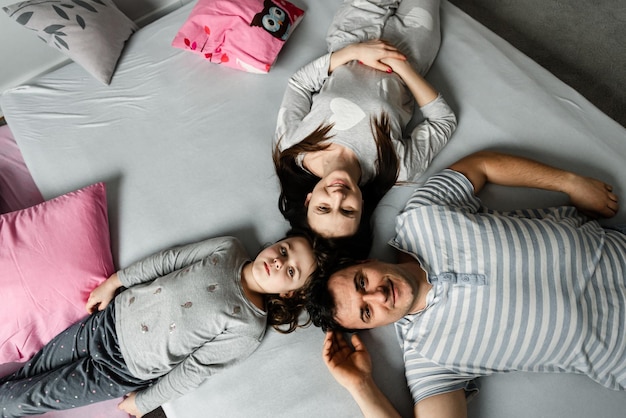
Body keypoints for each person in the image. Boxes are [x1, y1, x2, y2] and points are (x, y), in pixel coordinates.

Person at [306, 150, 624, 418]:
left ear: (364, 263)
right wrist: (362, 387)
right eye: (367, 312)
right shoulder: (428, 358)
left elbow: (480, 166)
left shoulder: (421, 216)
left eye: (362, 283)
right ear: (373, 326)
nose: (377, 295)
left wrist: (570, 182)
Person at [0, 230, 326, 418]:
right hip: (107, 322)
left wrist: (144, 402)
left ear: (289, 292)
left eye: (291, 270)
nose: (280, 260)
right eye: (284, 250)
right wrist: (116, 281)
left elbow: (194, 370)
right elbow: (168, 260)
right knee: (34, 369)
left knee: (30, 397)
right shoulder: (229, 248)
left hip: (120, 370)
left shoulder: (248, 327)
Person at [273, 0, 457, 257]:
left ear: (308, 199)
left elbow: (299, 84)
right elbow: (442, 122)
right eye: (347, 210)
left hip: (352, 33)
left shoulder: (292, 148)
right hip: (411, 47)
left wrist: (354, 52)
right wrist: (400, 66)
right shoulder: (395, 167)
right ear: (362, 206)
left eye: (323, 207)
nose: (337, 196)